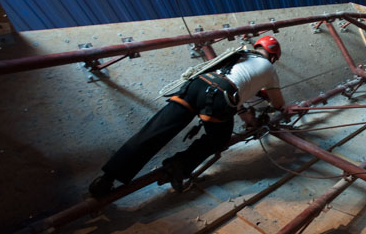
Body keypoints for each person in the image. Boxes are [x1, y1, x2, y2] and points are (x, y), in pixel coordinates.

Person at [89, 36, 287, 199]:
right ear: (273, 57)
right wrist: (278, 104)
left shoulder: (239, 54)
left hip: (196, 86)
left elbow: (240, 82)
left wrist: (256, 95)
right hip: (219, 97)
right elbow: (277, 103)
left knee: (155, 130)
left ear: (257, 46)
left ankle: (107, 178)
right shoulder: (269, 69)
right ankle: (178, 166)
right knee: (219, 138)